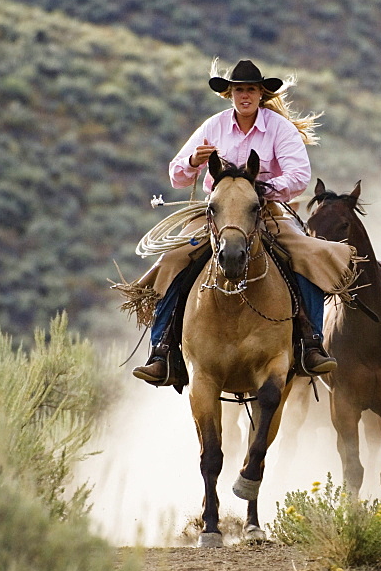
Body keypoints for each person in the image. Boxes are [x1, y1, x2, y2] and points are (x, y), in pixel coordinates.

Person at [119, 59, 356, 387]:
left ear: (261, 94)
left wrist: (262, 189)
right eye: (239, 90)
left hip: (266, 211)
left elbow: (299, 176)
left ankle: (311, 343)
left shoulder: (279, 128)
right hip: (216, 215)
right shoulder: (212, 127)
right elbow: (177, 174)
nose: (245, 95)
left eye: (251, 90)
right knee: (173, 259)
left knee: (309, 254)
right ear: (229, 94)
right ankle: (161, 351)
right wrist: (192, 161)